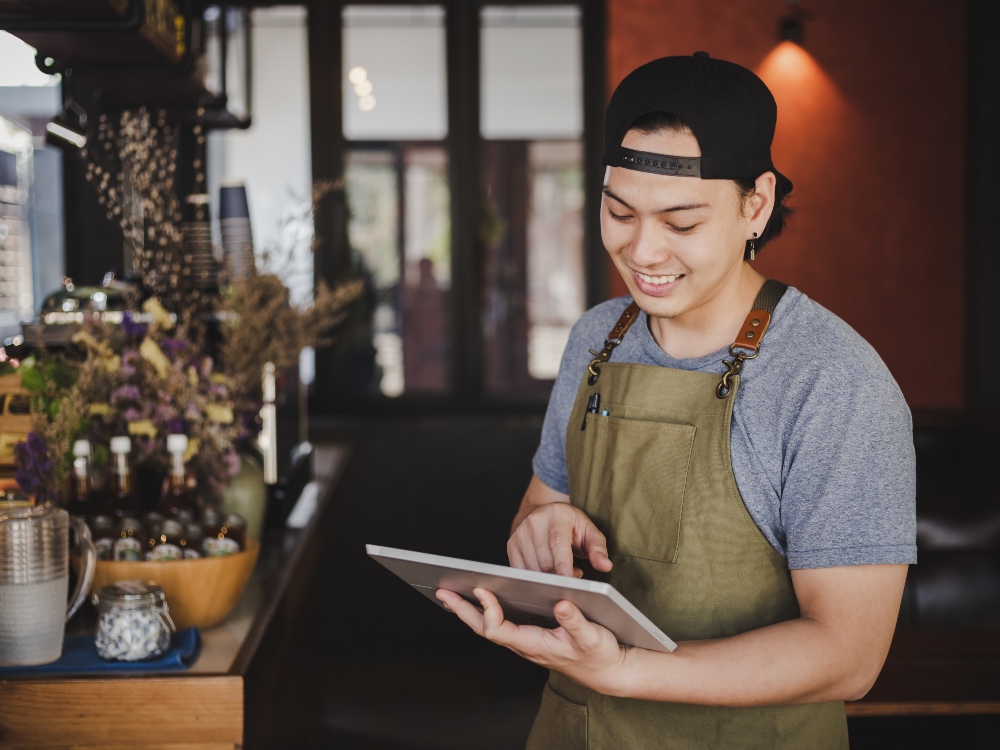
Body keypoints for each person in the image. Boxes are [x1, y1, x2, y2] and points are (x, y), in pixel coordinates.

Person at [436, 52, 915, 749]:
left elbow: (850, 655)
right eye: (619, 212)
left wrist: (628, 668)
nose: (643, 251)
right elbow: (538, 509)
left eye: (681, 223)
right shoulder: (596, 339)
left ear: (757, 203)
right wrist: (540, 531)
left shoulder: (831, 379)